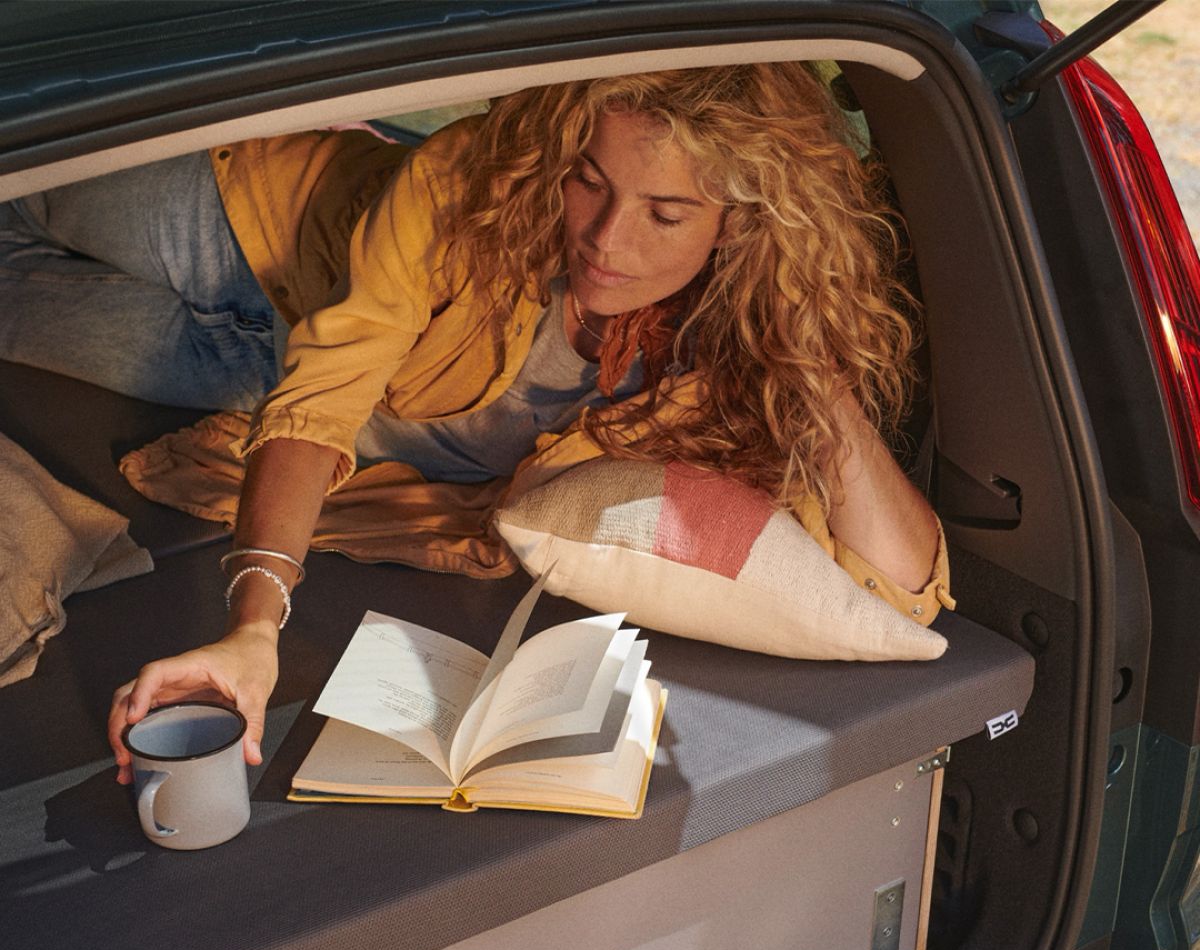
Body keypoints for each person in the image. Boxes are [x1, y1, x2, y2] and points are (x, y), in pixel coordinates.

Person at [0, 64, 950, 779]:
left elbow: (904, 591)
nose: (606, 239)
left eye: (666, 214)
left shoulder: (726, 370)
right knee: (23, 170)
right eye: (589, 180)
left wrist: (812, 366)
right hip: (253, 235)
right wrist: (253, 629)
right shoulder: (470, 183)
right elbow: (326, 391)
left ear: (741, 226)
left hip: (241, 376)